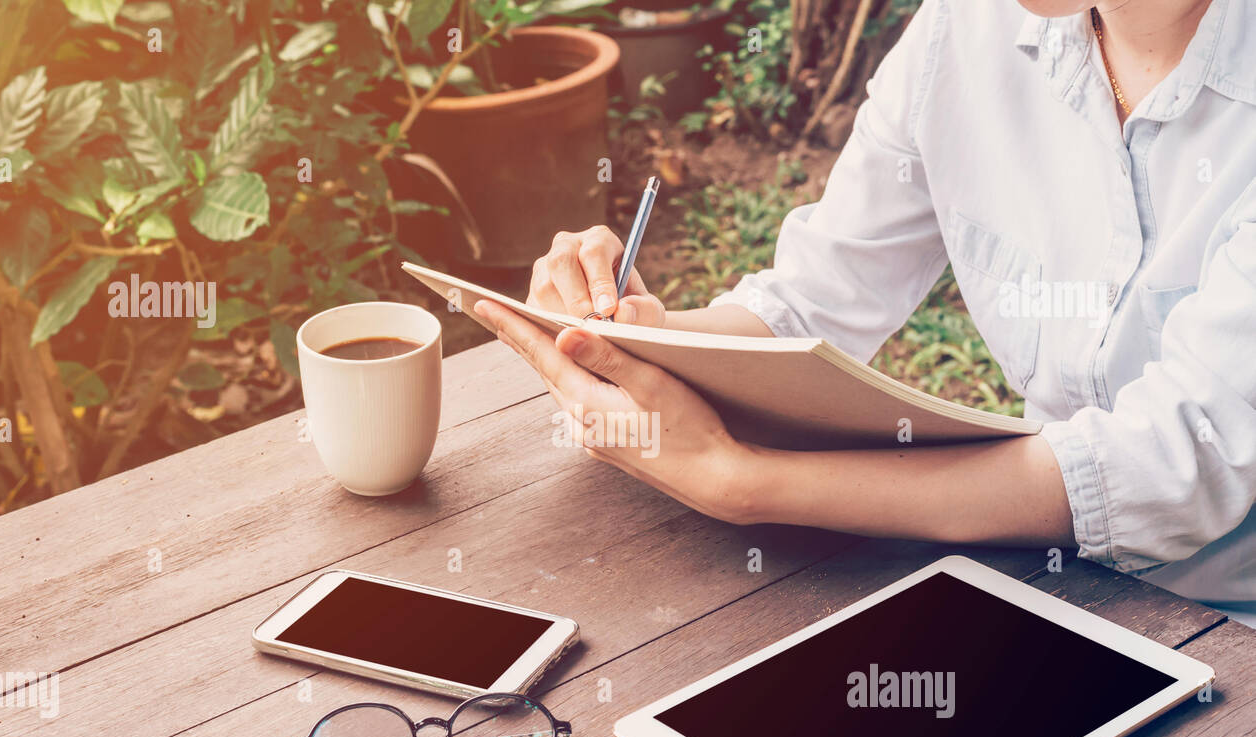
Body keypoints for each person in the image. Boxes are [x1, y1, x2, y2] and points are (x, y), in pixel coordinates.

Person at [474, 0, 1256, 625]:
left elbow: (1175, 465)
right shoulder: (966, 28)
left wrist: (749, 483)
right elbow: (813, 299)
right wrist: (627, 333)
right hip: (1043, 577)